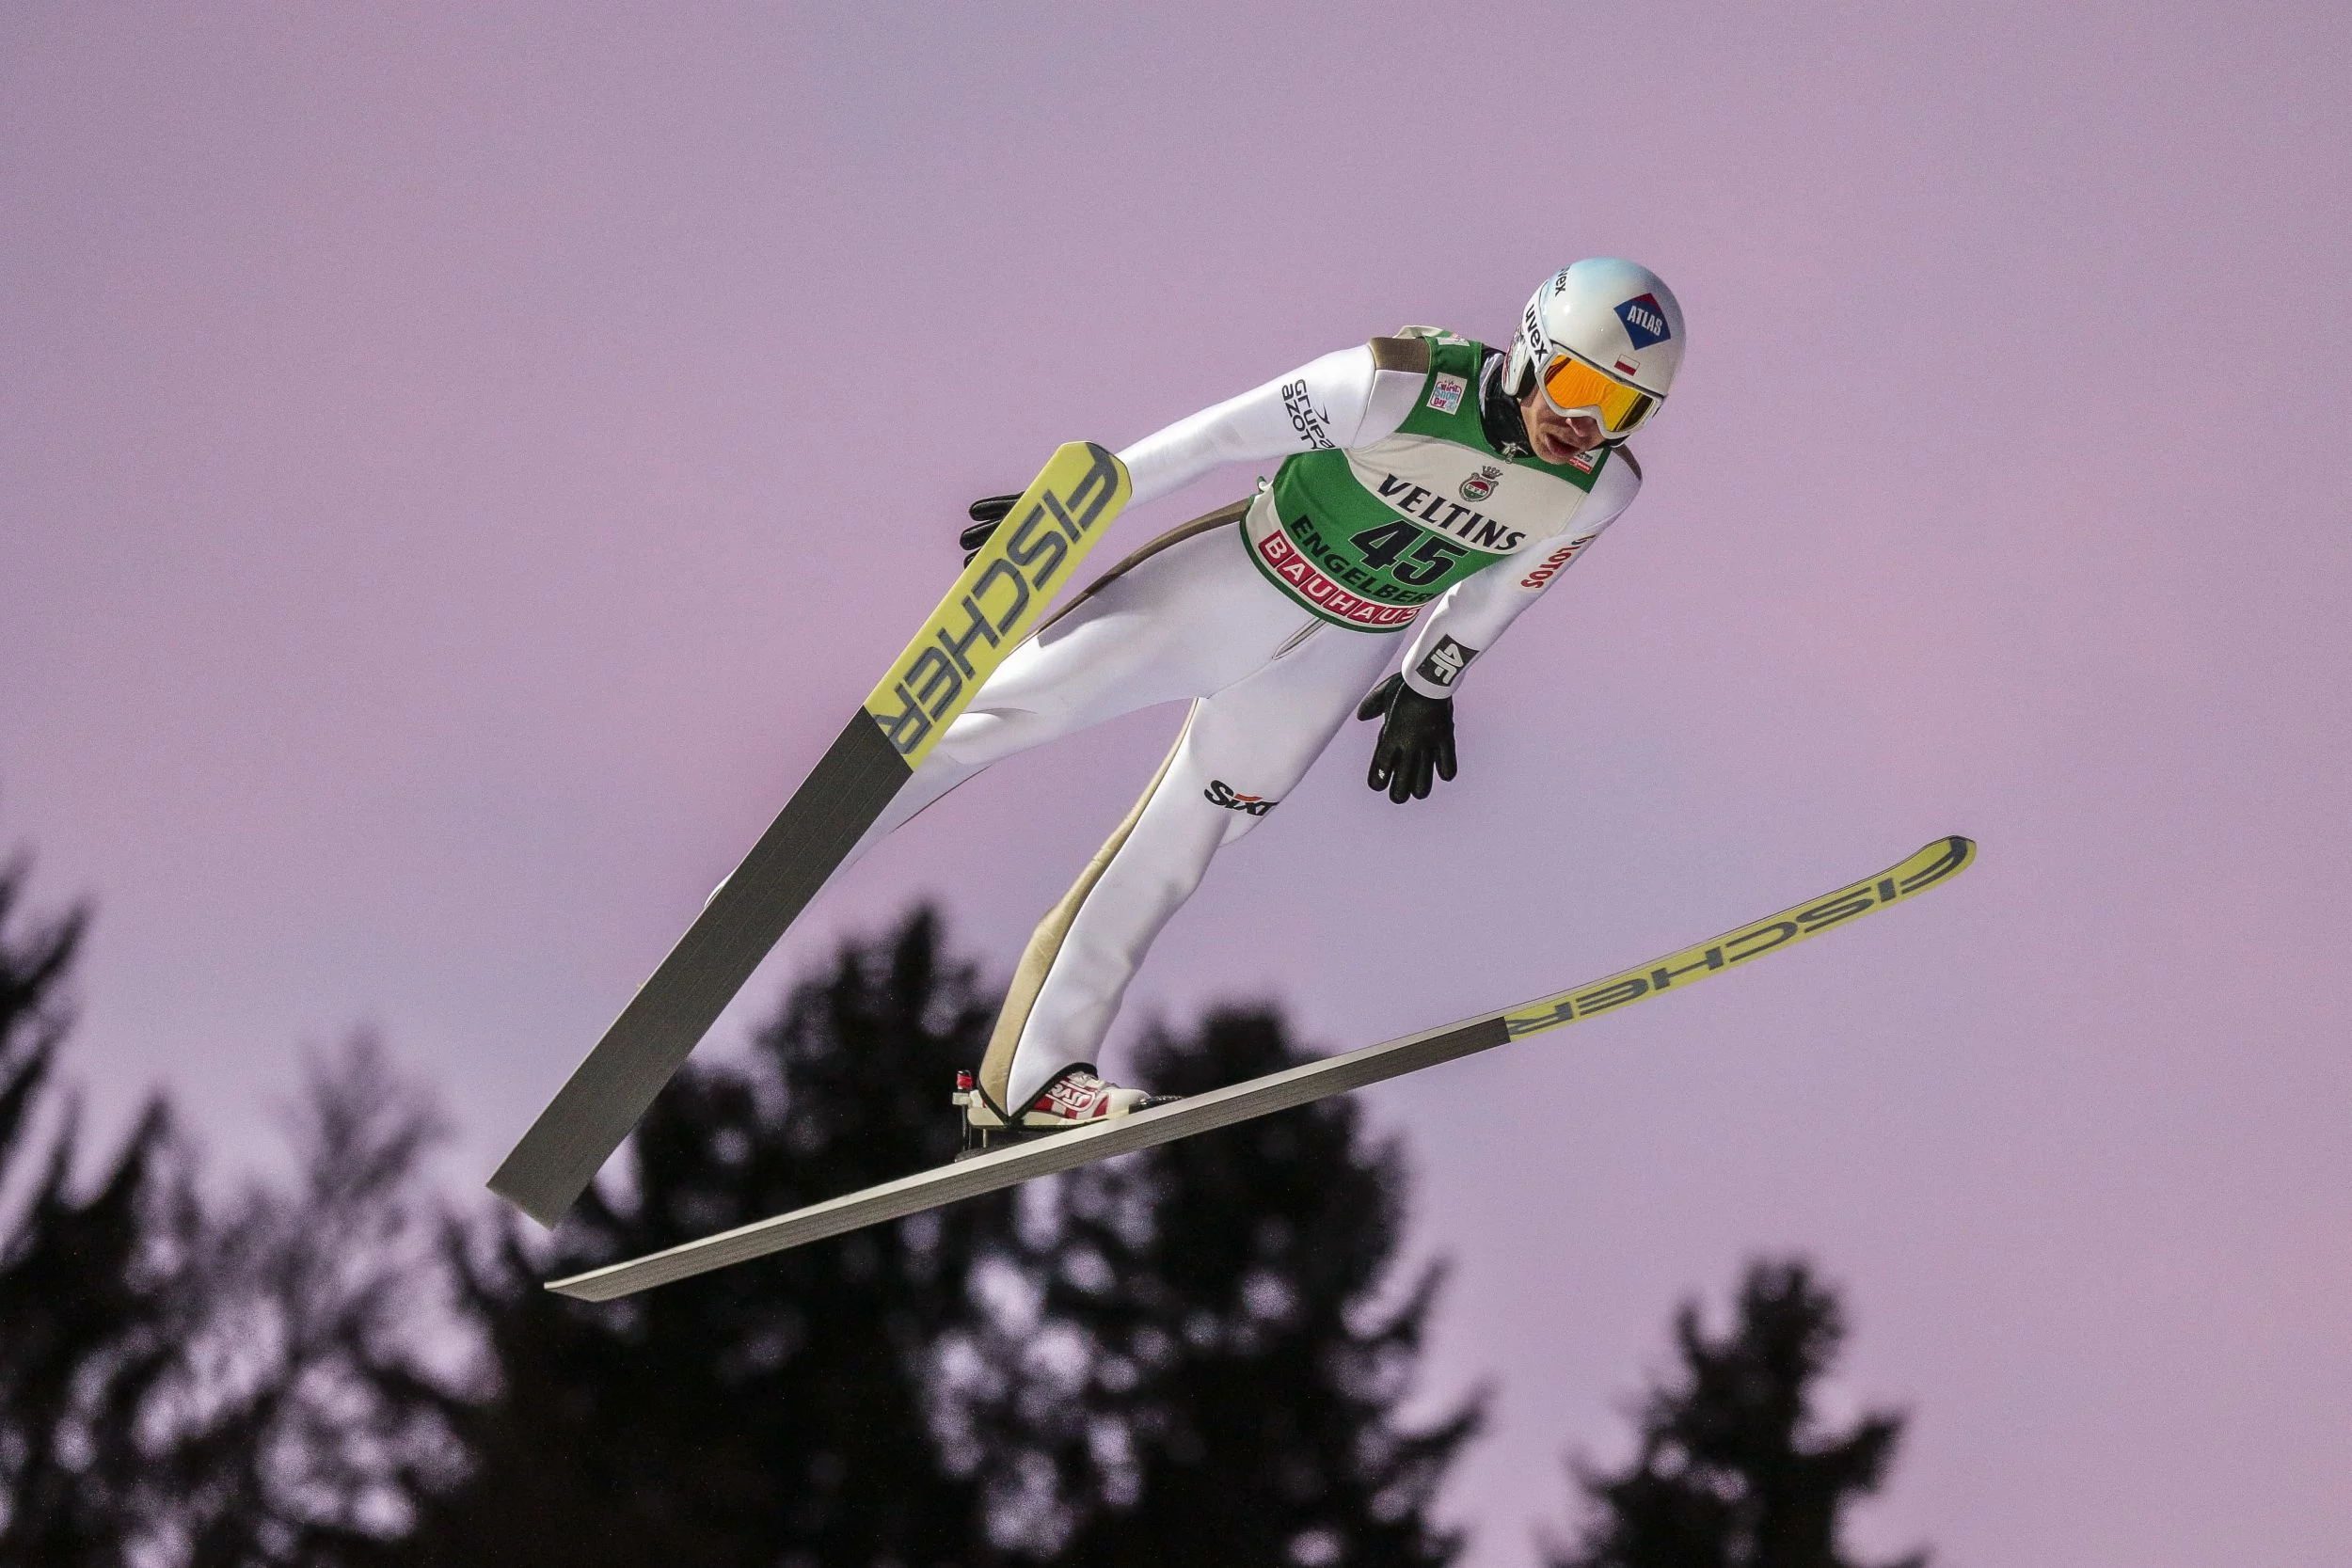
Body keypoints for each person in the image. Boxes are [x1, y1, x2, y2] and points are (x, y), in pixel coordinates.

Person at [844, 258, 1685, 1146]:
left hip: (1337, 655)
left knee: (1182, 842)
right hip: (1236, 582)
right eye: (1578, 383)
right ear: (1530, 348)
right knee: (1011, 709)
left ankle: (1036, 1073)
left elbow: (1501, 591)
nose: (1585, 421)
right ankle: (791, 864)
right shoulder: (1398, 384)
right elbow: (1215, 437)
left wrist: (1431, 680)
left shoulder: (1598, 490)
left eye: (1621, 409)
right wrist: (1082, 504)